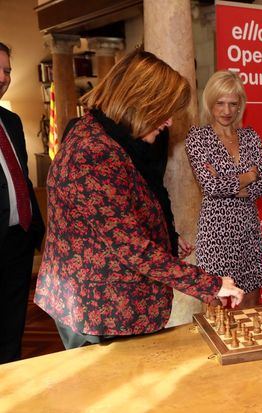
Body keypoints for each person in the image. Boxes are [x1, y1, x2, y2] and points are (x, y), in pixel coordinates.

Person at [34, 49, 243, 350]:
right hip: (96, 309)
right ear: (142, 101)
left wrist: (166, 235)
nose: (170, 122)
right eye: (165, 110)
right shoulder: (93, 151)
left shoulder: (110, 137)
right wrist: (212, 284)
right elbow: (130, 246)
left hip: (112, 305)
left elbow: (127, 206)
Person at [186, 70, 262, 309]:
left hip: (248, 233)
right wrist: (249, 175)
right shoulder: (198, 137)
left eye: (233, 104)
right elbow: (210, 186)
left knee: (252, 310)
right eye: (220, 103)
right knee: (217, 310)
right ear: (210, 103)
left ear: (240, 106)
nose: (226, 111)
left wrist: (231, 183)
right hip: (216, 233)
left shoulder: (249, 136)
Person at [0, 42, 45, 363]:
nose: (3, 77)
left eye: (7, 70)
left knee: (12, 329)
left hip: (18, 241)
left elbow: (23, 180)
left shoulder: (11, 121)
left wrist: (38, 231)